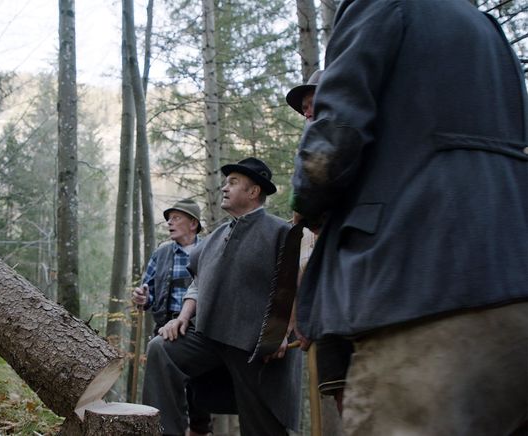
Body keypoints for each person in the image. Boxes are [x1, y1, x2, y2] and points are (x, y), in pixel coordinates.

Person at [291, 1, 528, 435]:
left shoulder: (381, 5)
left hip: (419, 288)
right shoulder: (487, 28)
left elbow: (333, 141)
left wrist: (305, 201)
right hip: (515, 287)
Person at [142, 157, 301, 436]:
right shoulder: (216, 236)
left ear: (253, 192)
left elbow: (295, 285)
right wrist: (181, 318)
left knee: (263, 426)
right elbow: (198, 282)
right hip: (209, 336)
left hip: (254, 344)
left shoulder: (281, 232)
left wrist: (284, 331)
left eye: (233, 182)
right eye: (225, 182)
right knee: (161, 349)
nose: (224, 188)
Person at [286, 70, 353, 414]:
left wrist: (303, 209)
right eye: (304, 110)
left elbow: (305, 201)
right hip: (326, 285)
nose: (307, 114)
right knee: (338, 382)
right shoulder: (311, 151)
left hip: (355, 274)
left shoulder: (351, 136)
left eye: (312, 105)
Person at [131, 198, 212, 436]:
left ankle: (200, 430)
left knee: (200, 393)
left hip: (201, 329)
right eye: (169, 218)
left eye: (177, 218)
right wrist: (142, 297)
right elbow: (148, 293)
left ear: (193, 224)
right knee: (166, 388)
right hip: (167, 328)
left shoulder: (210, 249)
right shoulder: (162, 253)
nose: (169, 222)